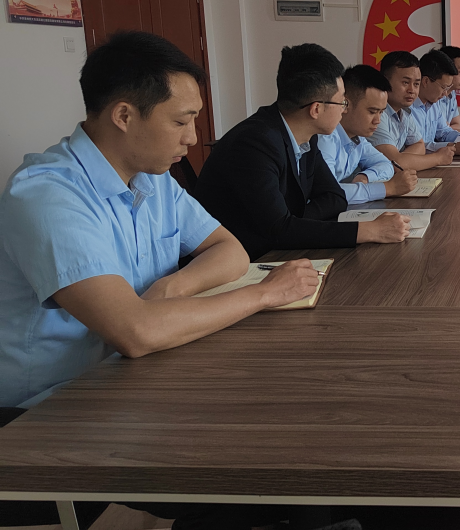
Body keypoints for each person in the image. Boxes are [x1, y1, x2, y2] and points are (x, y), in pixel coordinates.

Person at [0, 31, 319, 410]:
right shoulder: (46, 195)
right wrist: (265, 294)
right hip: (52, 405)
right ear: (124, 116)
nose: (192, 138)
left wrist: (172, 288)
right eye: (181, 122)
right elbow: (136, 331)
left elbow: (230, 251)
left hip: (141, 372)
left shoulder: (153, 178)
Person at [194, 43, 410, 260]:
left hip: (278, 250)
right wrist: (369, 230)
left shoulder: (307, 137)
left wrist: (294, 221)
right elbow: (279, 231)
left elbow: (335, 197)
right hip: (242, 261)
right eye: (342, 102)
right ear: (316, 109)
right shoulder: (254, 143)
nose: (344, 109)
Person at [318, 64, 418, 203]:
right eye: (372, 112)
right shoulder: (325, 139)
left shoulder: (358, 139)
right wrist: (388, 188)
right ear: (345, 105)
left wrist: (365, 177)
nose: (378, 120)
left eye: (381, 112)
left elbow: (386, 165)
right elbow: (327, 193)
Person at [370, 51, 457, 171]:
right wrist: (438, 158)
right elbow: (397, 164)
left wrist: (402, 159)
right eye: (405, 82)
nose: (412, 90)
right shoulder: (376, 114)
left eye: (416, 84)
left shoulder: (404, 112)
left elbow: (419, 146)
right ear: (385, 81)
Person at [410, 49, 460, 154]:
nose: (445, 94)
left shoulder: (433, 104)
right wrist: (451, 147)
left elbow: (445, 133)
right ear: (426, 81)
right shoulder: (408, 108)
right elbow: (417, 147)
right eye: (443, 87)